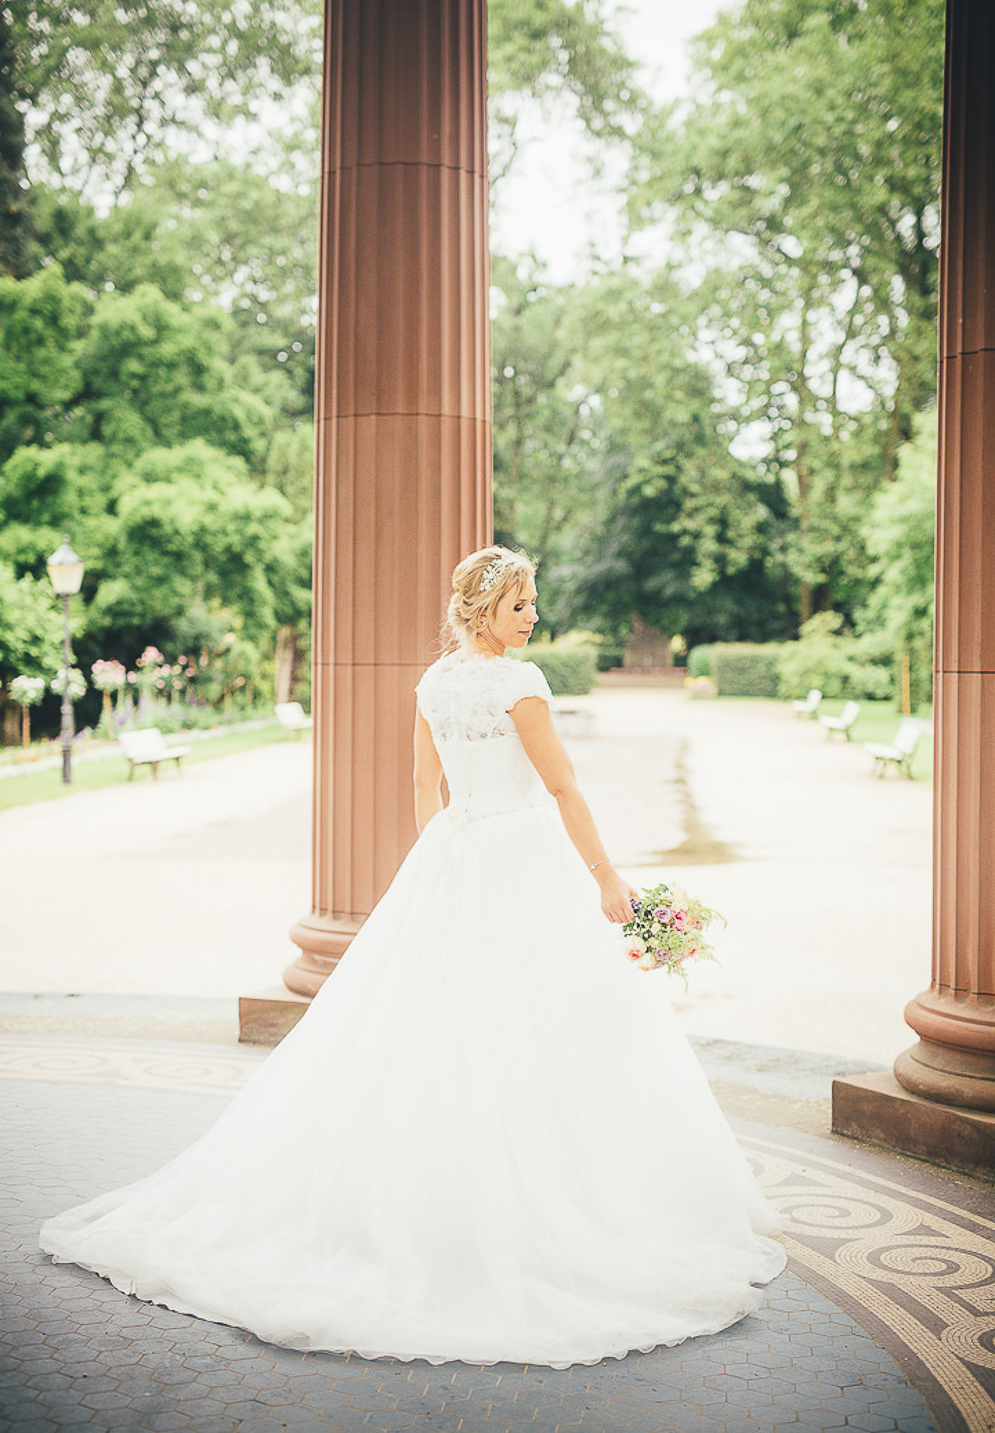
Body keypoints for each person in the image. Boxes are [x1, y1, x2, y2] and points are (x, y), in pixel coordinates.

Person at [39, 545, 785, 1368]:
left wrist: (443, 863)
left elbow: (422, 789)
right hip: (519, 853)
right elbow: (563, 787)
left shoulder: (434, 683)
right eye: (517, 604)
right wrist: (607, 879)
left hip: (454, 853)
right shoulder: (520, 683)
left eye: (531, 601)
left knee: (444, 1028)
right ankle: (562, 1205)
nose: (532, 614)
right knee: (548, 1026)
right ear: (480, 611)